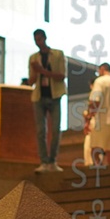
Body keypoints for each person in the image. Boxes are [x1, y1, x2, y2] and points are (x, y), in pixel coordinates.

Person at [29, 28, 67, 173]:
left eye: (39, 39)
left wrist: (43, 71)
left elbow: (62, 75)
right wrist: (35, 71)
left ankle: (53, 160)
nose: (38, 42)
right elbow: (31, 81)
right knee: (40, 130)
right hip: (39, 96)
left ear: (44, 38)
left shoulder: (57, 54)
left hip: (55, 95)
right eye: (35, 40)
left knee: (56, 130)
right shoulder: (33, 58)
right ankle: (44, 161)